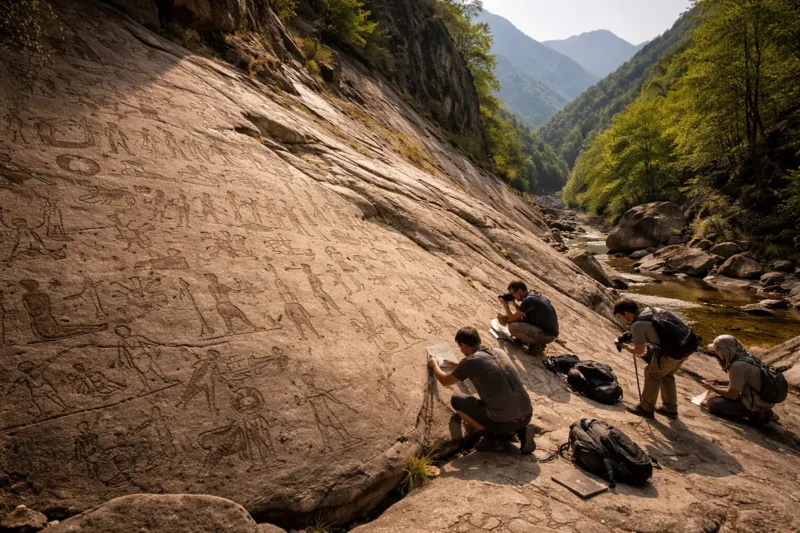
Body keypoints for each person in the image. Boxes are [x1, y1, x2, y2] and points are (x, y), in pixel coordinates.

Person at [428, 327, 536, 454]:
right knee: (506, 403)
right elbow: (487, 368)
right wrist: (457, 365)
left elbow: (444, 381)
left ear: (463, 345)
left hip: (504, 421)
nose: (461, 350)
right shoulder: (499, 352)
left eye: (460, 347)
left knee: (456, 400)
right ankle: (522, 431)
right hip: (527, 415)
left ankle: (491, 437)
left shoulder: (470, 361)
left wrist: (434, 365)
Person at [614, 298, 692, 419]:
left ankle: (646, 408)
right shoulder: (651, 310)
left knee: (652, 374)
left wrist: (623, 345)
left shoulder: (637, 325)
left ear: (627, 313)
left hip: (670, 353)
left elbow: (638, 351)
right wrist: (633, 335)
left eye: (620, 317)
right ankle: (670, 409)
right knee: (667, 375)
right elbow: (656, 330)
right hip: (687, 346)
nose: (622, 320)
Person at [703, 335, 776, 426]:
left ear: (724, 350)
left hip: (754, 403)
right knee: (720, 397)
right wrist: (719, 382)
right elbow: (743, 381)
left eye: (717, 350)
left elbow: (732, 395)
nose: (716, 353)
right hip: (763, 399)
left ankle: (755, 413)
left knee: (712, 403)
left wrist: (713, 388)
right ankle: (765, 410)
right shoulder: (748, 357)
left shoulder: (737, 366)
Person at [497, 281, 559, 352]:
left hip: (546, 336)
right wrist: (512, 303)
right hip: (547, 333)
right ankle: (524, 339)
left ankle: (536, 345)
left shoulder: (529, 300)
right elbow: (522, 312)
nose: (512, 296)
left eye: (512, 293)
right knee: (516, 320)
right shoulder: (533, 294)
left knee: (513, 327)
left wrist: (505, 305)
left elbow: (512, 318)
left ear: (519, 290)